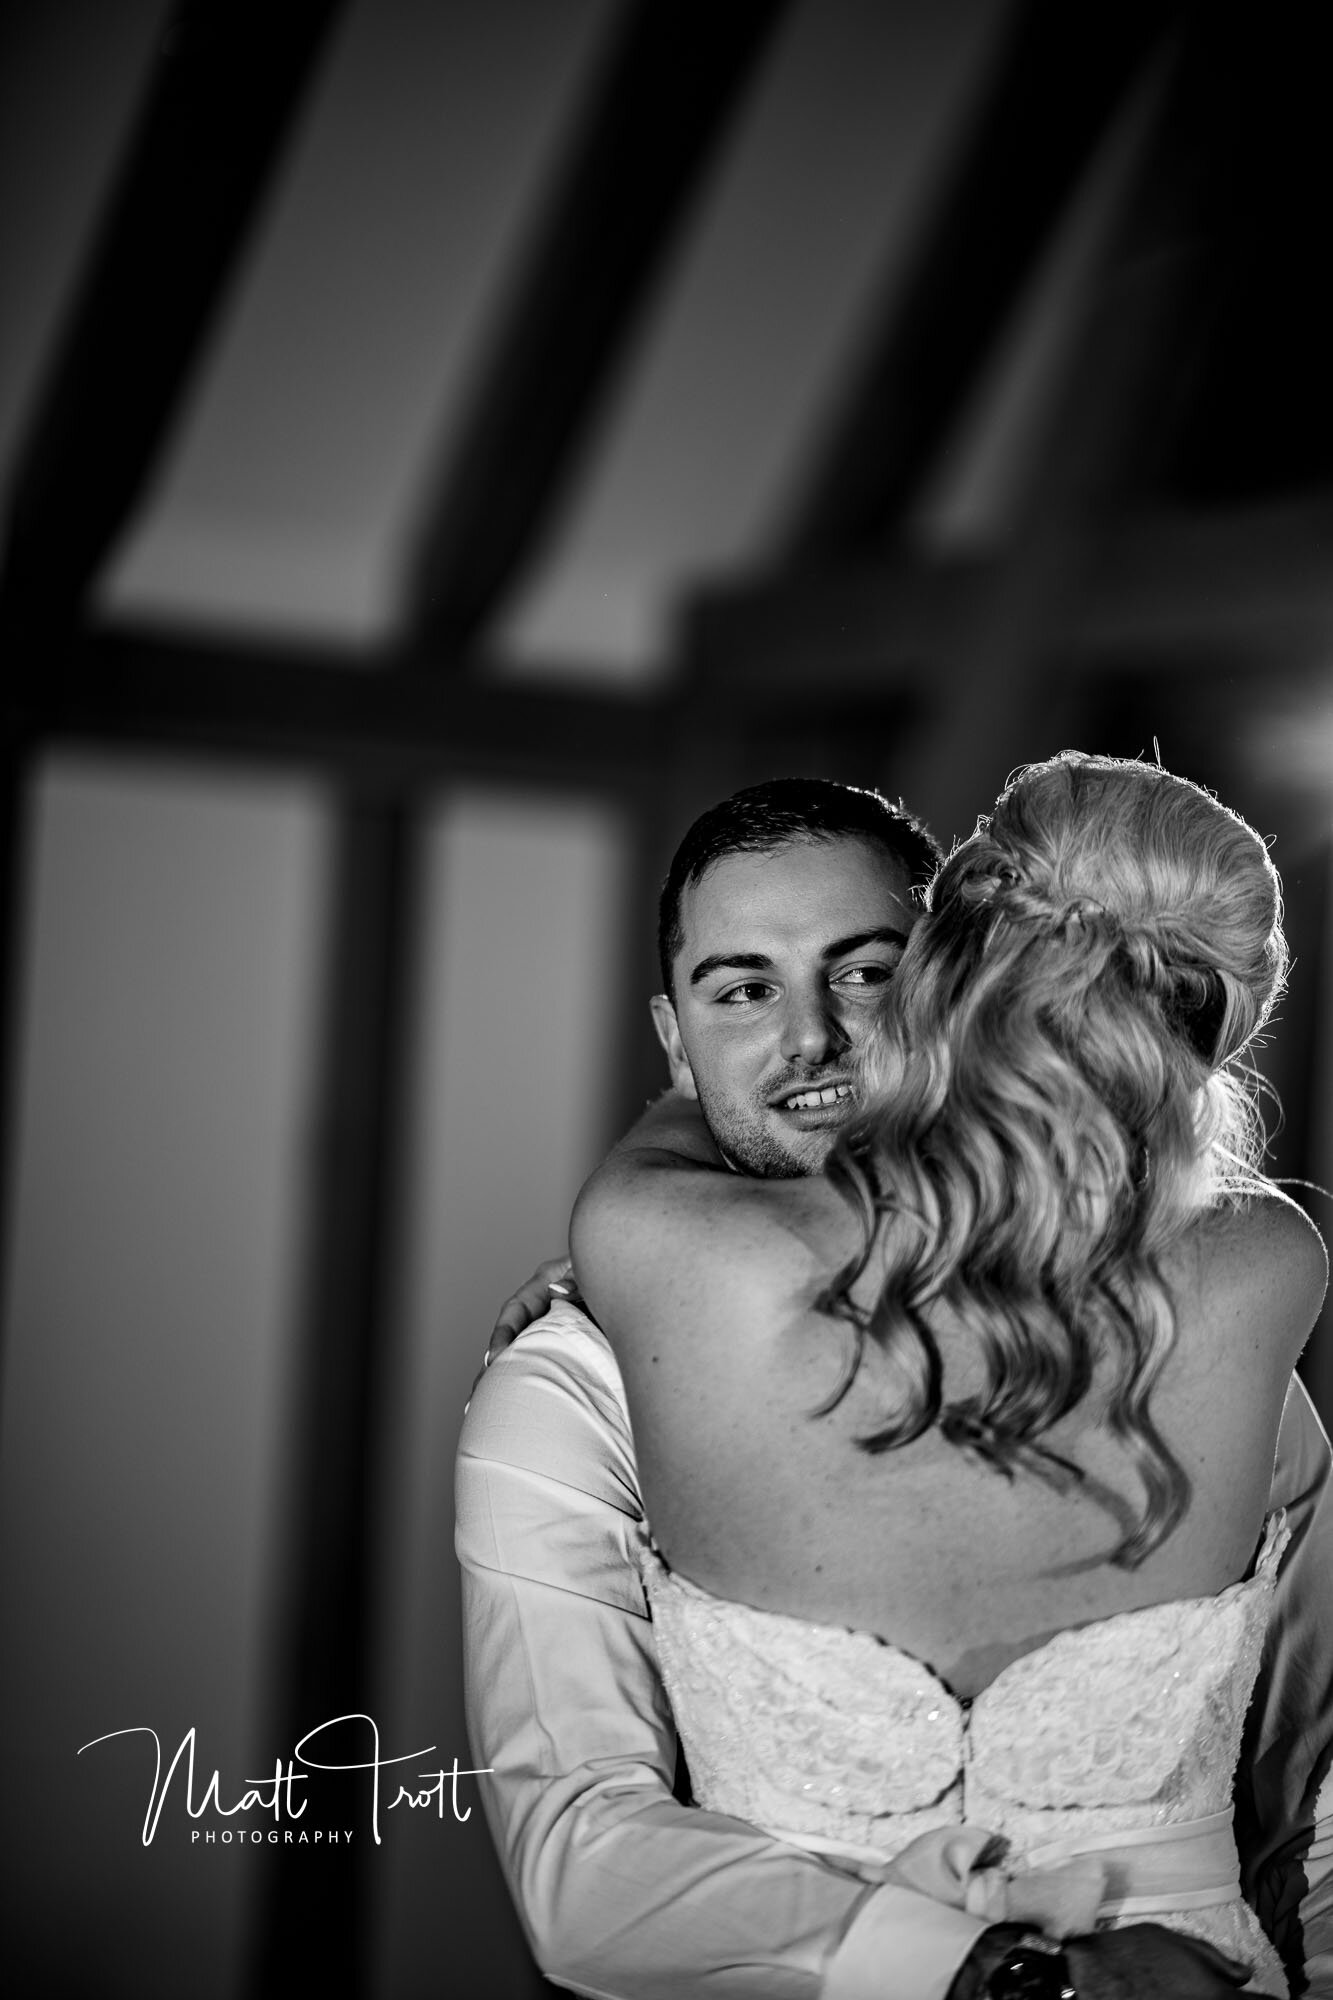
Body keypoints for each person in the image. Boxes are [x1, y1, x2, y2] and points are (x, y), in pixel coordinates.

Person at [457, 773, 1333, 2000]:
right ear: (674, 1035)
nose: (809, 1037)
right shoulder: (572, 1380)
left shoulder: (1235, 1359)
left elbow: (1312, 1769)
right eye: (743, 990)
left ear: (958, 979)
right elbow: (579, 1864)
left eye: (864, 970)